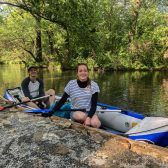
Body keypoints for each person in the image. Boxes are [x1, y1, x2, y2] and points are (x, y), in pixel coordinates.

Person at [48, 63, 101, 128]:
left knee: (96, 124)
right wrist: (52, 111)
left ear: (88, 72)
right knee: (80, 116)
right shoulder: (71, 84)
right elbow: (62, 100)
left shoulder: (94, 85)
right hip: (76, 112)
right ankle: (85, 123)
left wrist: (89, 117)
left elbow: (94, 106)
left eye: (85, 70)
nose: (83, 73)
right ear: (77, 73)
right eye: (80, 71)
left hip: (90, 112)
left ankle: (87, 123)